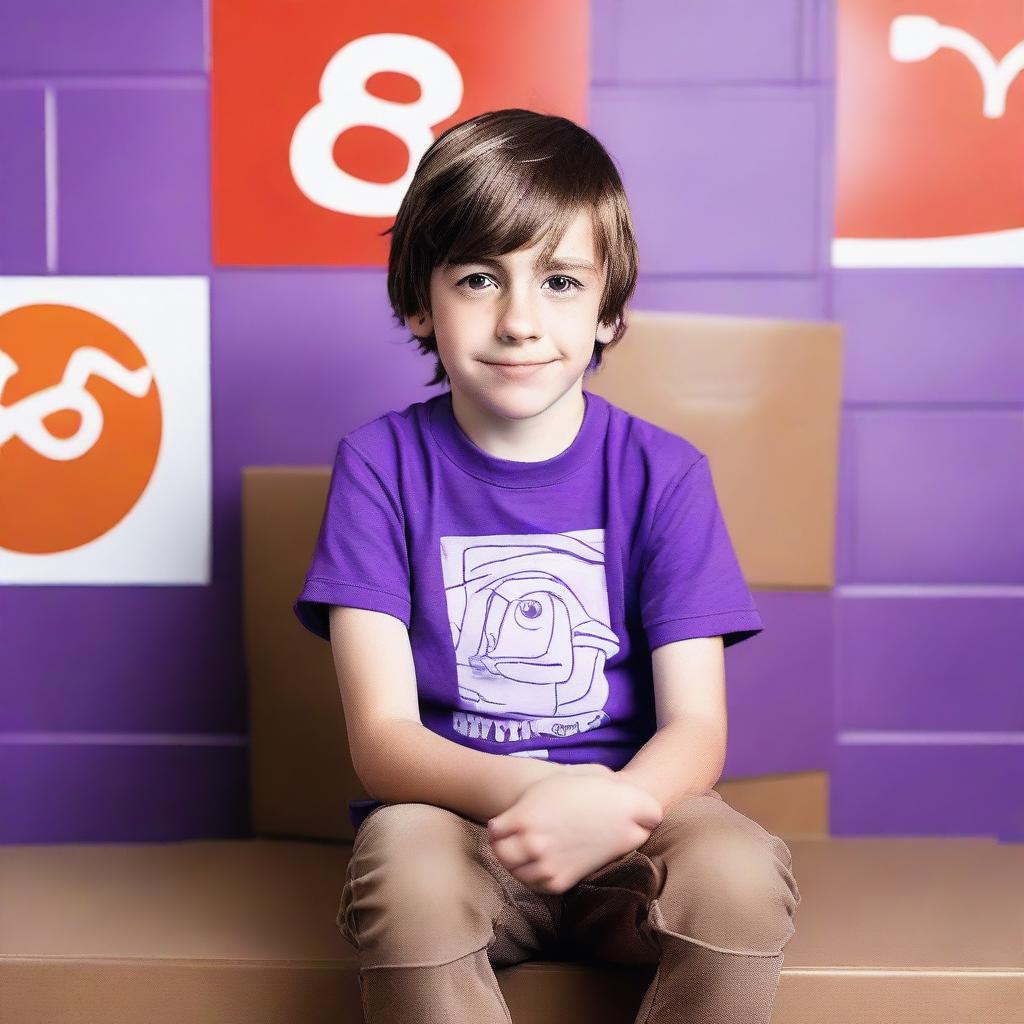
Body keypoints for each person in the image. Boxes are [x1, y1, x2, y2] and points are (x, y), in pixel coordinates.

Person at [293, 107, 801, 1024]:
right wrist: (542, 794)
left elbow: (696, 728)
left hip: (634, 816)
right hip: (459, 819)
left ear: (608, 311)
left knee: (737, 872)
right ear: (419, 300)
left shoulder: (665, 472)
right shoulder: (379, 467)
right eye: (480, 278)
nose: (520, 320)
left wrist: (615, 806)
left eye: (561, 281)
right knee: (404, 872)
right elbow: (383, 740)